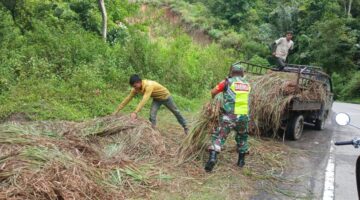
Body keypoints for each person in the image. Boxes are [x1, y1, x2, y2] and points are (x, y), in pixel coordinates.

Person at [205, 64, 251, 172]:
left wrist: (215, 100)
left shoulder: (227, 82)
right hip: (244, 117)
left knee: (219, 136)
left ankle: (212, 158)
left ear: (232, 72)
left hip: (229, 116)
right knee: (242, 137)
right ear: (242, 73)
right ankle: (241, 162)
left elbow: (213, 92)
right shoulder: (248, 84)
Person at [113, 74, 188, 134]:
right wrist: (117, 110)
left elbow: (144, 100)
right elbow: (128, 99)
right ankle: (153, 132)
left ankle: (186, 126)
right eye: (133, 87)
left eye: (135, 86)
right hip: (157, 99)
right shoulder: (136, 88)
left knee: (176, 112)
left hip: (166, 97)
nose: (134, 88)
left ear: (139, 82)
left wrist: (135, 112)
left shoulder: (149, 86)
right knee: (152, 115)